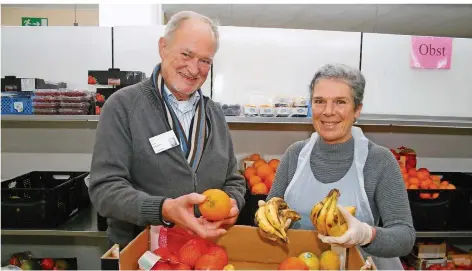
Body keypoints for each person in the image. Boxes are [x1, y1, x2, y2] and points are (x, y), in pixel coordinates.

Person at [88, 11, 246, 249]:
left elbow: (233, 179)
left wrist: (233, 202)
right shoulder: (123, 106)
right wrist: (163, 209)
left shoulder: (214, 113)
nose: (194, 69)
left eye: (205, 61)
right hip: (141, 252)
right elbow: (105, 190)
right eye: (186, 54)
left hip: (200, 253)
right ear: (163, 47)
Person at [263, 63, 415, 270]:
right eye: (319, 101)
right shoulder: (295, 154)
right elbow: (270, 213)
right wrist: (267, 225)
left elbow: (405, 237)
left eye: (340, 102)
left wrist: (366, 234)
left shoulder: (379, 160)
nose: (328, 111)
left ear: (357, 109)